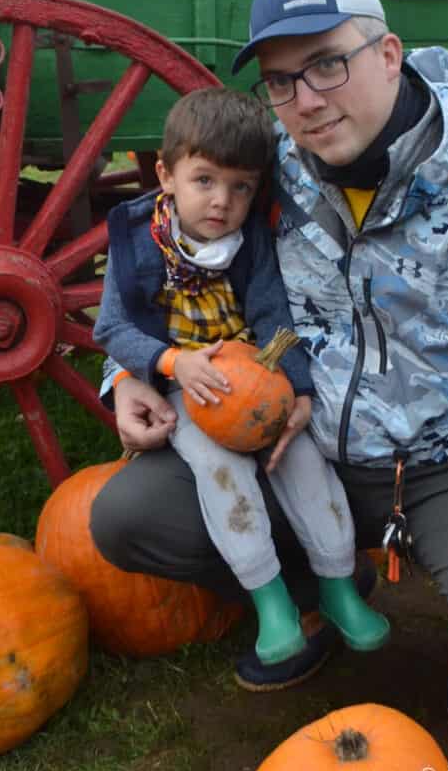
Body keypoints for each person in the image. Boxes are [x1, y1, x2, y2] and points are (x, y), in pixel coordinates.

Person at [91, 0, 448, 736]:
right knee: (130, 517)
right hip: (305, 440)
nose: (306, 100)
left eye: (328, 64)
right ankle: (317, 589)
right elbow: (163, 243)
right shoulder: (268, 170)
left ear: (388, 54)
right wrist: (128, 370)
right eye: (282, 81)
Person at [93, 87, 390, 669]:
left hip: (256, 378)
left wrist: (298, 389)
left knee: (305, 465)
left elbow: (273, 314)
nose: (221, 202)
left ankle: (338, 588)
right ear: (166, 174)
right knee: (221, 472)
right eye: (204, 180)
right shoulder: (137, 241)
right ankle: (272, 601)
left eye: (240, 187)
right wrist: (171, 363)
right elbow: (113, 327)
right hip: (187, 386)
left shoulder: (249, 241)